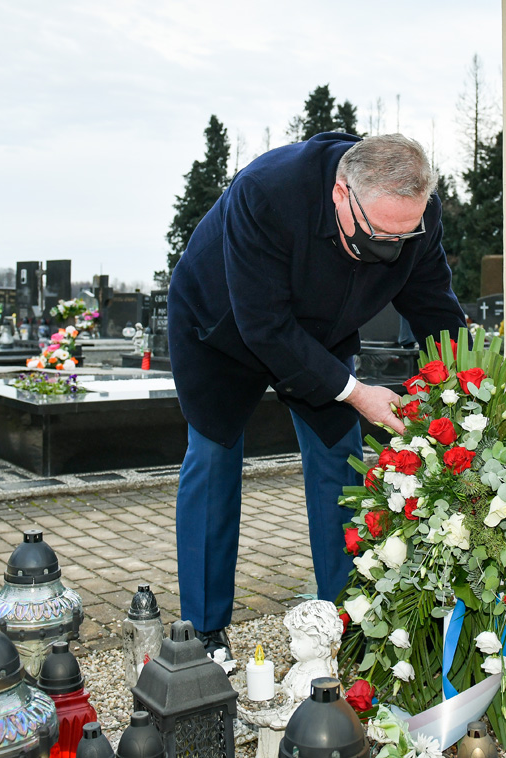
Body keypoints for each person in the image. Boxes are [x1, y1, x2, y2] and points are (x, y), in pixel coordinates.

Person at [168, 132, 465, 660]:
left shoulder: (412, 214)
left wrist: (464, 386)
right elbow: (264, 325)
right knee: (214, 458)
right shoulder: (266, 191)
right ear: (340, 193)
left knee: (339, 459)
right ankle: (206, 629)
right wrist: (354, 392)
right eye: (379, 234)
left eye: (405, 235)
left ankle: (346, 617)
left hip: (321, 333)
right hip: (223, 328)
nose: (391, 249)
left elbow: (434, 305)